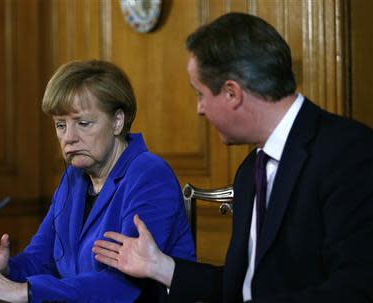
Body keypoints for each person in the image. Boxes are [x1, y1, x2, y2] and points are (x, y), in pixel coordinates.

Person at [93, 12, 373, 303]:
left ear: (231, 93)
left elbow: (355, 290)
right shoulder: (251, 168)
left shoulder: (349, 152)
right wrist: (159, 266)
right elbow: (243, 287)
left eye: (200, 94)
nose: (200, 109)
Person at [0, 60, 195, 302]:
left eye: (83, 123)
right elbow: (41, 259)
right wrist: (7, 269)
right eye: (60, 125)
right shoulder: (73, 177)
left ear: (117, 121)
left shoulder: (149, 174)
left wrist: (26, 291)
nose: (69, 138)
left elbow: (123, 286)